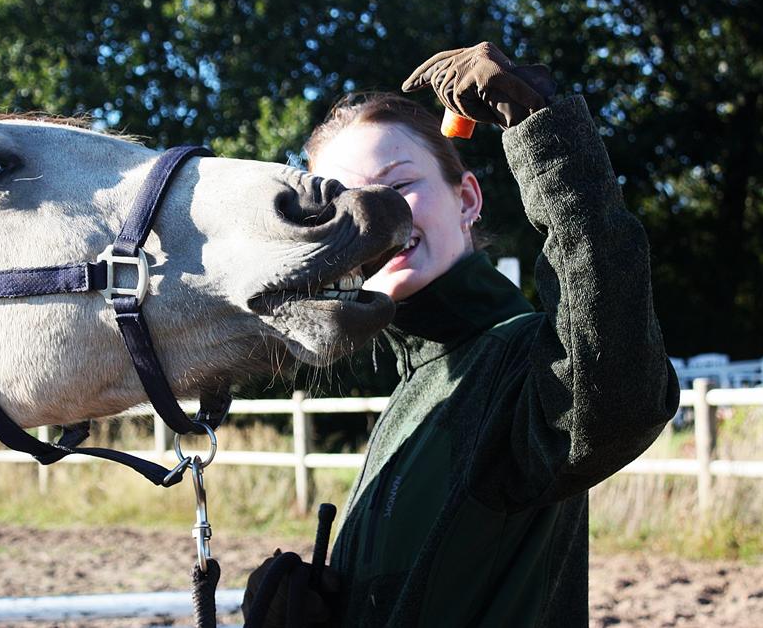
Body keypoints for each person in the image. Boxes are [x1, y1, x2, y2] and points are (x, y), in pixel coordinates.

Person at [242, 42, 680, 627]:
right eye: (347, 204)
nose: (377, 216)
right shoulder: (419, 377)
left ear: (467, 199)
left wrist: (541, 128)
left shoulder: (520, 363)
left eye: (400, 184)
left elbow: (621, 396)